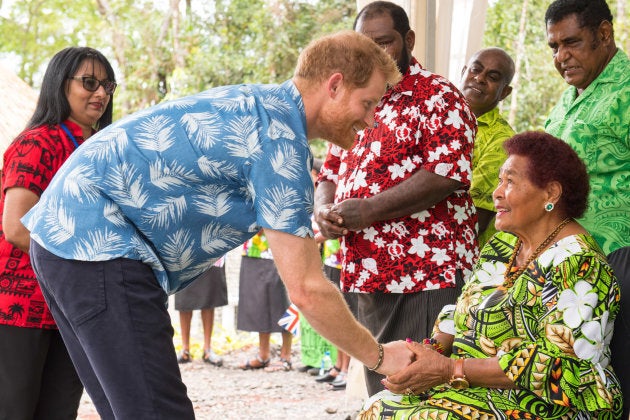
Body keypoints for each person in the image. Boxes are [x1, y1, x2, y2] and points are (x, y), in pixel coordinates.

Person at [21, 30, 413, 419]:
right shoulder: (280, 142)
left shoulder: (257, 103)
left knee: (132, 409)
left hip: (63, 236)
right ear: (335, 85)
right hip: (97, 242)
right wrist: (381, 357)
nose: (371, 119)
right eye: (368, 103)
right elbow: (308, 289)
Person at [358, 131, 623, 419]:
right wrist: (424, 356)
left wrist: (449, 369)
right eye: (500, 180)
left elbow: (564, 371)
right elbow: (460, 313)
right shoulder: (504, 245)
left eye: (510, 181)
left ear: (550, 193)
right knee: (379, 405)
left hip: (552, 405)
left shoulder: (580, 264)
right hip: (477, 386)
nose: (497, 192)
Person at [315, 1, 478, 396]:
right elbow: (331, 171)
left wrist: (368, 209)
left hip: (425, 274)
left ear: (408, 40)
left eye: (383, 42)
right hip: (369, 272)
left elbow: (447, 173)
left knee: (424, 393)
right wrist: (323, 209)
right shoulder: (357, 99)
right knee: (385, 392)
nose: (372, 53)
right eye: (363, 45)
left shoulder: (438, 95)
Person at [0, 47, 116, 419]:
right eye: (89, 82)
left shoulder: (95, 150)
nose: (100, 93)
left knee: (57, 411)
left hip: (68, 307)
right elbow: (16, 227)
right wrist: (83, 269)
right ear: (59, 84)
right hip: (19, 308)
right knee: (14, 409)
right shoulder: (38, 143)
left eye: (107, 85)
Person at [543, 1, 630, 415]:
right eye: (554, 47)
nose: (562, 56)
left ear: (604, 34)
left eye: (571, 42)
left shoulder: (628, 90)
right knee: (585, 387)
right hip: (574, 270)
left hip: (622, 257)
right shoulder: (567, 101)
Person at [460, 47, 516, 245]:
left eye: (492, 77)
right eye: (475, 70)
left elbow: (474, 221)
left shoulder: (502, 141)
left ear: (505, 92)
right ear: (463, 72)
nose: (480, 79)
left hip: (463, 256)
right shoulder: (437, 117)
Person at [237, 232, 294, 372]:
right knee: (258, 301)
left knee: (283, 301)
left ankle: (286, 357)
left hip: (280, 246)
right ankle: (263, 355)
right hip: (253, 247)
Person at [174, 258, 227, 366]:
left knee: (208, 293)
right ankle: (185, 349)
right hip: (184, 246)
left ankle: (207, 349)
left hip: (209, 245)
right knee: (184, 294)